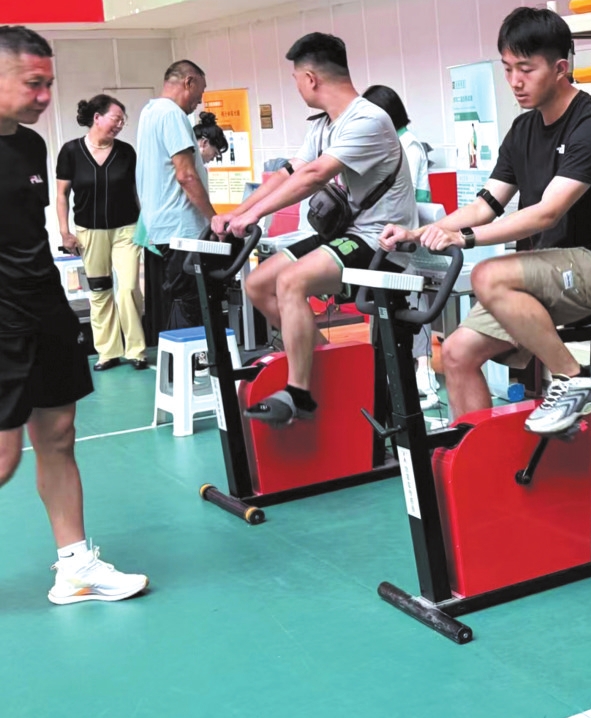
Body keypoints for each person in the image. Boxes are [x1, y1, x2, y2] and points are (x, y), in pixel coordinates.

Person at [379, 7, 591, 437]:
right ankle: (479, 465)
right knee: (457, 353)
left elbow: (546, 212)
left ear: (560, 68)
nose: (515, 81)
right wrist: (421, 232)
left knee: (489, 274)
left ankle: (575, 380)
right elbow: (486, 204)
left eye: (526, 69)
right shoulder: (523, 130)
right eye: (507, 69)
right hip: (548, 268)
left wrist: (464, 238)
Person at [0, 26, 148, 604]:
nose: (45, 97)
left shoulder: (31, 146)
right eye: (32, 84)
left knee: (59, 435)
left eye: (49, 84)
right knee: (4, 457)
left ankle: (76, 567)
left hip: (43, 302)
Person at [213, 32, 416, 426]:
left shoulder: (369, 119)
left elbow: (314, 175)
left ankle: (299, 394)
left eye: (295, 79)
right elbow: (290, 171)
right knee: (257, 284)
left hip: (379, 240)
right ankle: (329, 366)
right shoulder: (324, 124)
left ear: (310, 78)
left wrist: (254, 217)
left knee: (291, 281)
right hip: (346, 234)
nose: (297, 87)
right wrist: (237, 212)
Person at [55, 94, 147, 371]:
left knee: (128, 288)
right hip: (89, 231)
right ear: (97, 118)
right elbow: (61, 194)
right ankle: (108, 351)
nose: (120, 125)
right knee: (100, 291)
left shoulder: (126, 152)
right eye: (116, 119)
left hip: (126, 229)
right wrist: (64, 232)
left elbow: (137, 191)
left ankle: (136, 350)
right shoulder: (71, 151)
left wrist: (146, 226)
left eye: (122, 121)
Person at [363, 83, 439, 409]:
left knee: (412, 303)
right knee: (387, 305)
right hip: (391, 236)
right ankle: (397, 372)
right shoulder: (393, 143)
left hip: (408, 236)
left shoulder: (408, 147)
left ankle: (425, 374)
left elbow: (412, 198)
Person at [135, 59, 213, 334]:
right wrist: (213, 219)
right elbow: (186, 176)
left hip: (159, 228)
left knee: (174, 300)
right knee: (190, 304)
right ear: (188, 82)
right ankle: (197, 357)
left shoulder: (149, 112)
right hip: (182, 229)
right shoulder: (172, 115)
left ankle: (176, 355)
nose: (198, 102)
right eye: (199, 93)